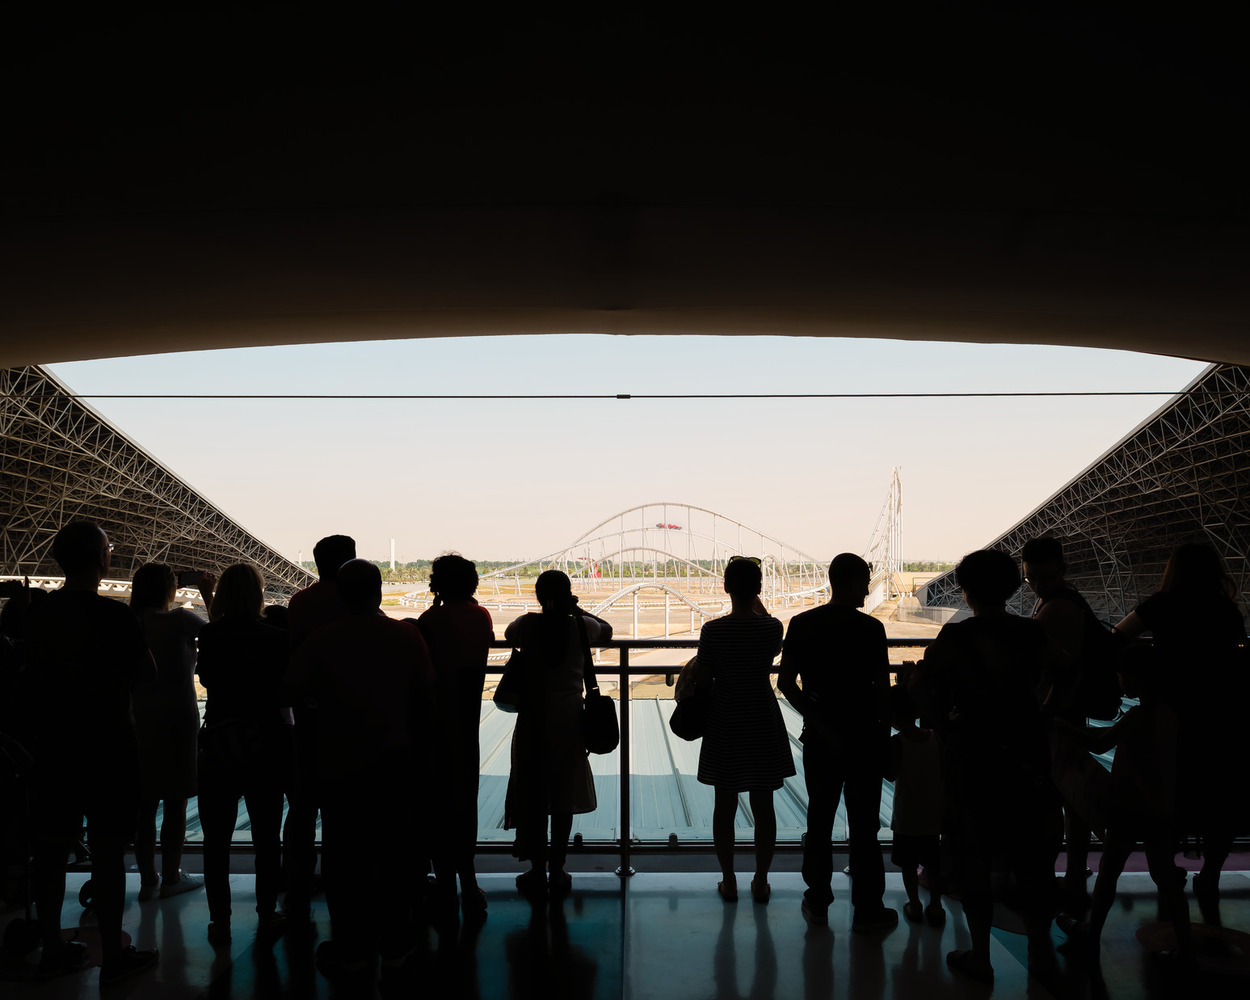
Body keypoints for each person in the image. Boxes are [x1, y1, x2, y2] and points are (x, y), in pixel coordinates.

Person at [912, 549, 1065, 986]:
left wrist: (944, 726)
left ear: (965, 589)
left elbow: (922, 687)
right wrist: (1045, 713)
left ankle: (980, 955)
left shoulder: (957, 637)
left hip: (973, 757)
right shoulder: (1031, 633)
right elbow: (1068, 672)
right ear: (1015, 587)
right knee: (1032, 857)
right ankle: (1040, 948)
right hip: (1026, 754)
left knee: (973, 857)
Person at [23, 521, 160, 984]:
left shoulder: (37, 615)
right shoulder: (114, 617)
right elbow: (147, 673)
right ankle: (114, 956)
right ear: (101, 560)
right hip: (108, 745)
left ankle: (52, 949)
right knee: (107, 853)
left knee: (50, 850)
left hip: (55, 745)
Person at [287, 559, 435, 981]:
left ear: (341, 594)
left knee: (345, 859)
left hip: (341, 762)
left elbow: (290, 688)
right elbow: (427, 694)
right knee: (395, 855)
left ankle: (351, 947)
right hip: (394, 760)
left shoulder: (323, 640)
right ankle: (396, 943)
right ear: (380, 590)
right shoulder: (406, 635)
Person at [1112, 541, 1247, 920]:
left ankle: (1167, 872)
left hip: (1171, 713)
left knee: (1170, 794)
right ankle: (1211, 875)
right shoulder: (1227, 611)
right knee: (1217, 798)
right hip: (1220, 716)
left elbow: (1118, 638)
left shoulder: (1160, 605)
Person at [1052, 643, 1191, 963]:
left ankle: (1092, 933)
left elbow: (1099, 743)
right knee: (1166, 879)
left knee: (1108, 873)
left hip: (1128, 808)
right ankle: (1186, 948)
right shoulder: (1168, 714)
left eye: (1121, 675)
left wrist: (1060, 726)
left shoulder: (1137, 716)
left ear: (1135, 678)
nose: (1118, 681)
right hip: (1159, 809)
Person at [779, 552, 895, 930]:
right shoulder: (871, 630)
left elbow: (785, 684)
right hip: (864, 738)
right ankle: (867, 908)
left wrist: (817, 720)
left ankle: (817, 898)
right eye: (865, 581)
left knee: (820, 818)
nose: (867, 588)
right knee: (865, 828)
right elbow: (881, 690)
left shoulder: (801, 623)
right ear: (851, 581)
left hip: (821, 738)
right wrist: (882, 734)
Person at [196, 563, 291, 946]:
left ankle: (220, 921)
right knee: (267, 837)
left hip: (219, 740)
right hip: (264, 742)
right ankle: (267, 914)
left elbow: (205, 677)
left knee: (215, 840)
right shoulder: (274, 638)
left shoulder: (209, 633)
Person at [503, 570, 612, 899]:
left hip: (532, 719)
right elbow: (606, 631)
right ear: (569, 595)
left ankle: (536, 869)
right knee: (563, 794)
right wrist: (577, 610)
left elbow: (508, 635)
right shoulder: (581, 626)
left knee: (534, 792)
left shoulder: (525, 625)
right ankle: (559, 868)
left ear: (538, 595)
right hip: (568, 722)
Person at [696, 556, 794, 905]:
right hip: (761, 715)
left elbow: (704, 675)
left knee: (725, 804)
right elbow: (766, 627)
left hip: (725, 716)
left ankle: (728, 880)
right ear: (759, 589)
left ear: (726, 587)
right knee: (763, 803)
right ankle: (762, 880)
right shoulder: (772, 628)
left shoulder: (713, 630)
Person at [415, 553, 495, 918]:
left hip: (433, 728)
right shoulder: (481, 617)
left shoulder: (429, 621)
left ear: (437, 584)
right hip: (468, 726)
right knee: (465, 807)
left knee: (436, 809)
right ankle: (470, 883)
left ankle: (445, 886)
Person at [128, 562, 214, 900]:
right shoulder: (180, 619)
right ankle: (171, 876)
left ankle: (148, 878)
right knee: (176, 801)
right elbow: (220, 636)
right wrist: (208, 594)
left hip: (139, 717)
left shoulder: (131, 621)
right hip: (178, 716)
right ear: (170, 588)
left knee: (145, 804)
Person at [283, 532, 357, 920]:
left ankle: (297, 886)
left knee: (303, 810)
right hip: (350, 723)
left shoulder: (300, 602)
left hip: (308, 718)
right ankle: (342, 890)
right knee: (344, 816)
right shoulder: (353, 602)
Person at [889, 680, 945, 927]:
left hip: (906, 818)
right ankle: (936, 905)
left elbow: (889, 773)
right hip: (933, 817)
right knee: (933, 864)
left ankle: (914, 904)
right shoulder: (935, 738)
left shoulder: (897, 744)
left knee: (908, 865)